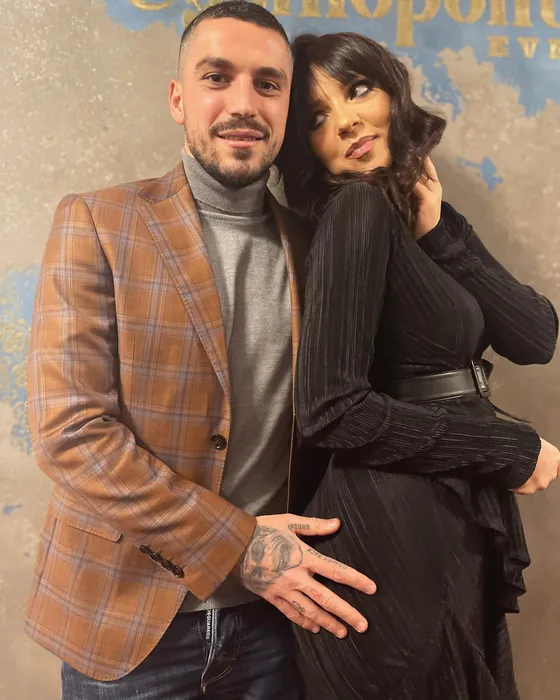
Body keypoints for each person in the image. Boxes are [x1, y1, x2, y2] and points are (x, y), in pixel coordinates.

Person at [24, 7, 376, 699]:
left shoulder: (320, 247)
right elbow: (71, 433)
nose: (244, 103)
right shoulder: (98, 221)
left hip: (283, 626)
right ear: (179, 98)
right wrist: (240, 546)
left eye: (268, 84)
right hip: (127, 630)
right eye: (217, 77)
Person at [277, 32, 560, 700]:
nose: (347, 121)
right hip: (392, 528)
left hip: (434, 510)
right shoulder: (355, 210)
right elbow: (329, 409)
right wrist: (504, 446)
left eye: (357, 90)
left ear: (391, 91)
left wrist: (441, 233)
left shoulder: (403, 214)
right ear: (305, 148)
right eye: (316, 118)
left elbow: (535, 336)